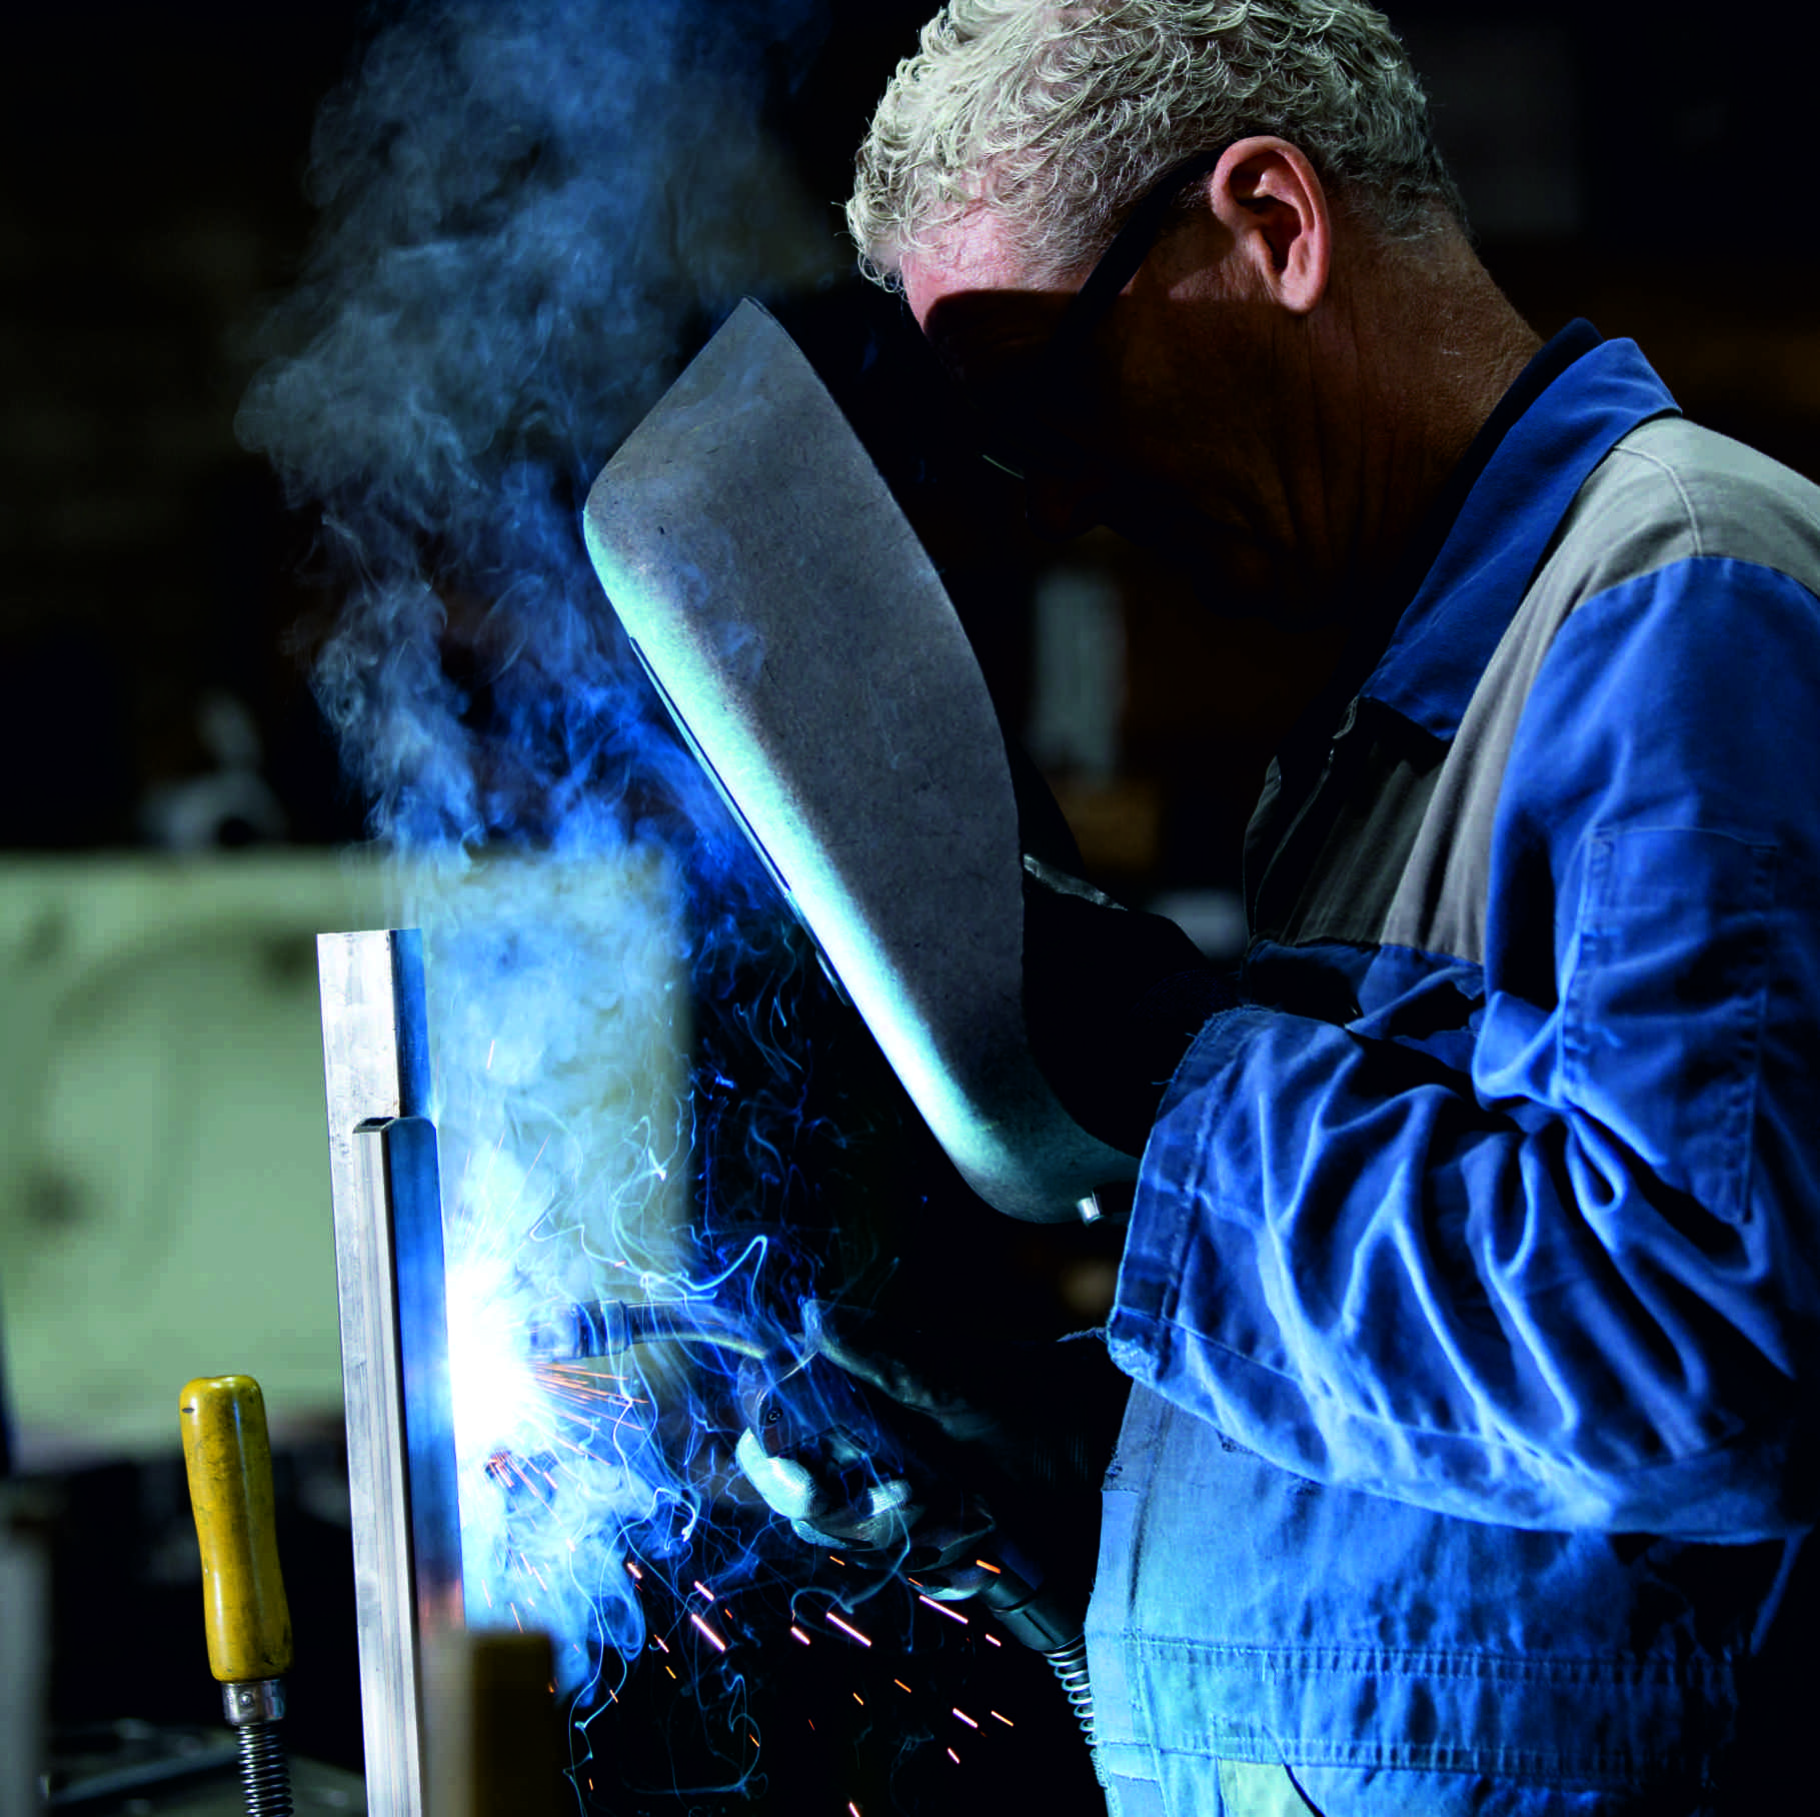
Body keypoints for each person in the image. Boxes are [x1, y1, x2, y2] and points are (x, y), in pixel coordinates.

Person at [745, 3, 1820, 1811]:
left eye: (1045, 388)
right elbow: (1471, 1471)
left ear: (1270, 225)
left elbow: (1705, 1345)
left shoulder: (1680, 601)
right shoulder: (1398, 708)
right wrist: (1073, 1448)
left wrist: (1187, 1072)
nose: (1055, 499)